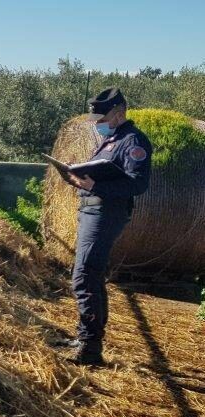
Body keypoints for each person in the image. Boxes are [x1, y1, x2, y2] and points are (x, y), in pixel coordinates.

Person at [64, 87, 152, 366]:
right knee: (91, 275)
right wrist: (77, 174)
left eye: (103, 118)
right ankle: (87, 337)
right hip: (92, 211)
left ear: (119, 112)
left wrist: (95, 185)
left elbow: (137, 183)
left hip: (106, 213)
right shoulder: (113, 139)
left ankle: (89, 349)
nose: (98, 124)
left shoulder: (134, 141)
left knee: (84, 276)